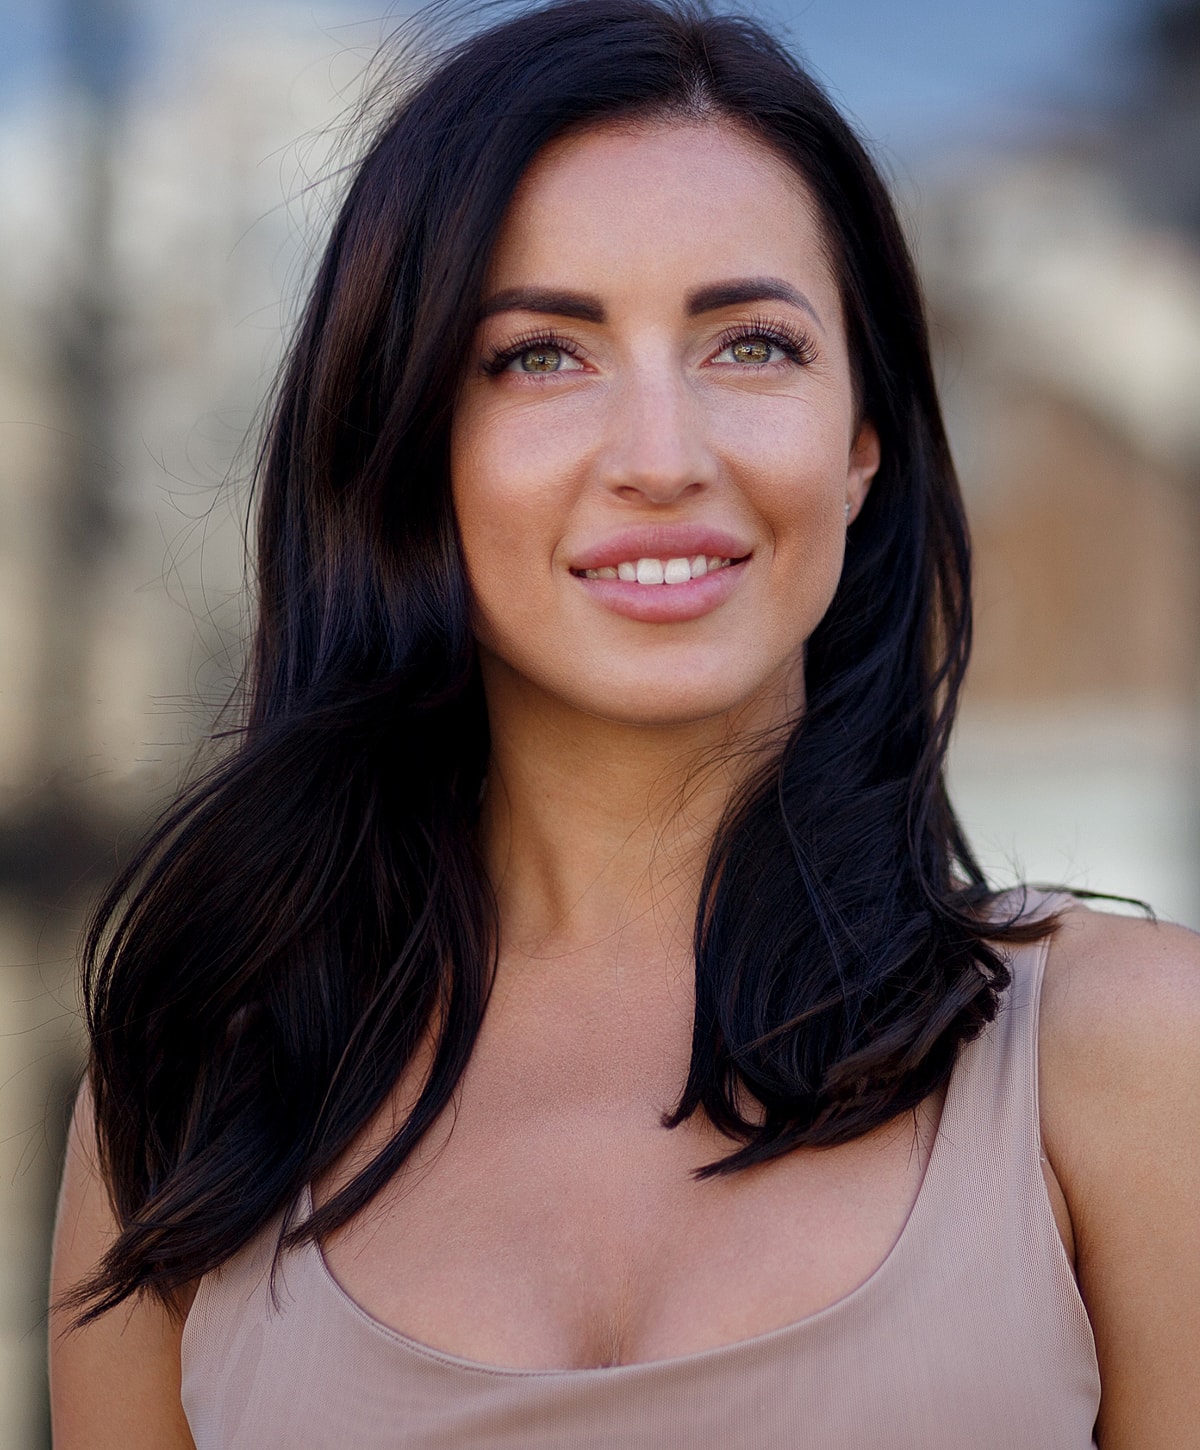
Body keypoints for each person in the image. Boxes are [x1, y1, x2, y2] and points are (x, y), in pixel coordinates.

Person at [49, 1, 1200, 1445]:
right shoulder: (195, 1089)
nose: (663, 456)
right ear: (406, 446)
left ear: (862, 444)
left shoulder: (1136, 1059)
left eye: (753, 345)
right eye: (541, 354)